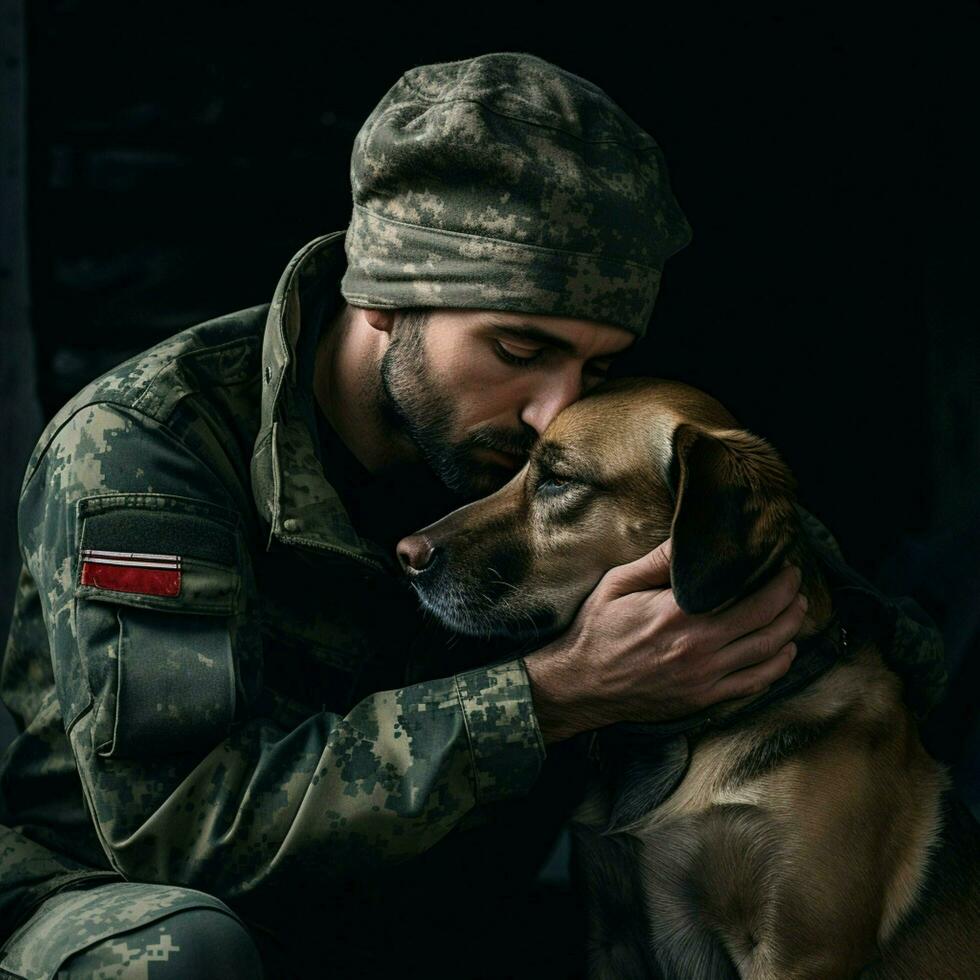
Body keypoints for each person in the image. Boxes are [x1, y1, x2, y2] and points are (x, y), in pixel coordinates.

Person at [0, 52, 945, 979]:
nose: (553, 408)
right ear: (379, 298)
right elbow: (179, 830)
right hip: (114, 901)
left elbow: (857, 629)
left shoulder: (543, 445)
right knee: (180, 954)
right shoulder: (146, 450)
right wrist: (562, 690)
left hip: (412, 916)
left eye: (597, 369)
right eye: (518, 346)